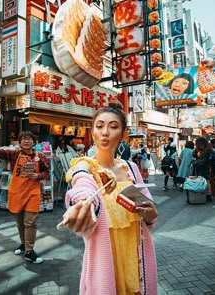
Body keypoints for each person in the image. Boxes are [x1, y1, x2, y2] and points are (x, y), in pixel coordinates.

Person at [60, 101, 158, 295]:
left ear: (122, 134)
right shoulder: (86, 166)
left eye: (113, 127)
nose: (105, 132)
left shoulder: (131, 168)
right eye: (99, 126)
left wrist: (151, 213)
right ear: (93, 132)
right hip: (105, 256)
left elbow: (147, 206)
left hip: (137, 253)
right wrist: (82, 201)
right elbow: (82, 183)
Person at [0, 131, 49, 263]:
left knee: (30, 222)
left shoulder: (41, 156)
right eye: (23, 139)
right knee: (20, 222)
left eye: (29, 139)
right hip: (16, 192)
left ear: (34, 142)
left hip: (33, 193)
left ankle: (29, 251)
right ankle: (24, 244)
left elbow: (46, 172)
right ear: (20, 142)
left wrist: (38, 176)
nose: (26, 141)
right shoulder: (14, 154)